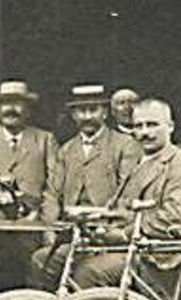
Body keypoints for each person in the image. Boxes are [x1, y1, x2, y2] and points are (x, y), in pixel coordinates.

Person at [70, 97, 181, 289]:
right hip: (129, 245)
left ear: (171, 127)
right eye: (138, 126)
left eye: (152, 125)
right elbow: (119, 206)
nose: (144, 133)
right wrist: (95, 221)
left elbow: (173, 218)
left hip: (159, 254)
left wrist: (123, 234)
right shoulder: (138, 163)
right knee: (50, 260)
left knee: (90, 272)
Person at [31, 83, 143, 288]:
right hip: (73, 235)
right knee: (41, 260)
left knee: (88, 271)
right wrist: (50, 229)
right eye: (81, 111)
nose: (87, 116)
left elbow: (127, 192)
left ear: (105, 113)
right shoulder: (66, 151)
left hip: (108, 235)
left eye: (93, 110)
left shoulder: (125, 145)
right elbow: (52, 193)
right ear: (73, 115)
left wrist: (106, 228)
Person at [0, 80, 58, 216]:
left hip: (35, 222)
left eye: (17, 103)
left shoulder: (45, 140)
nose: (11, 109)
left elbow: (55, 186)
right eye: (5, 103)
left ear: (28, 109)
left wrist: (42, 216)